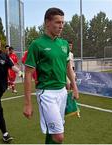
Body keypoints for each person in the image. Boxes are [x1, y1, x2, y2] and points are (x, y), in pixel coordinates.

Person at [23, 8, 79, 144]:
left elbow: (68, 67)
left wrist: (75, 87)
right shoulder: (37, 45)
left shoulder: (64, 44)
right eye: (58, 22)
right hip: (46, 93)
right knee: (59, 136)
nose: (61, 26)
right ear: (47, 22)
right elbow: (28, 74)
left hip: (62, 92)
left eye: (63, 23)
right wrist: (27, 104)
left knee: (53, 131)